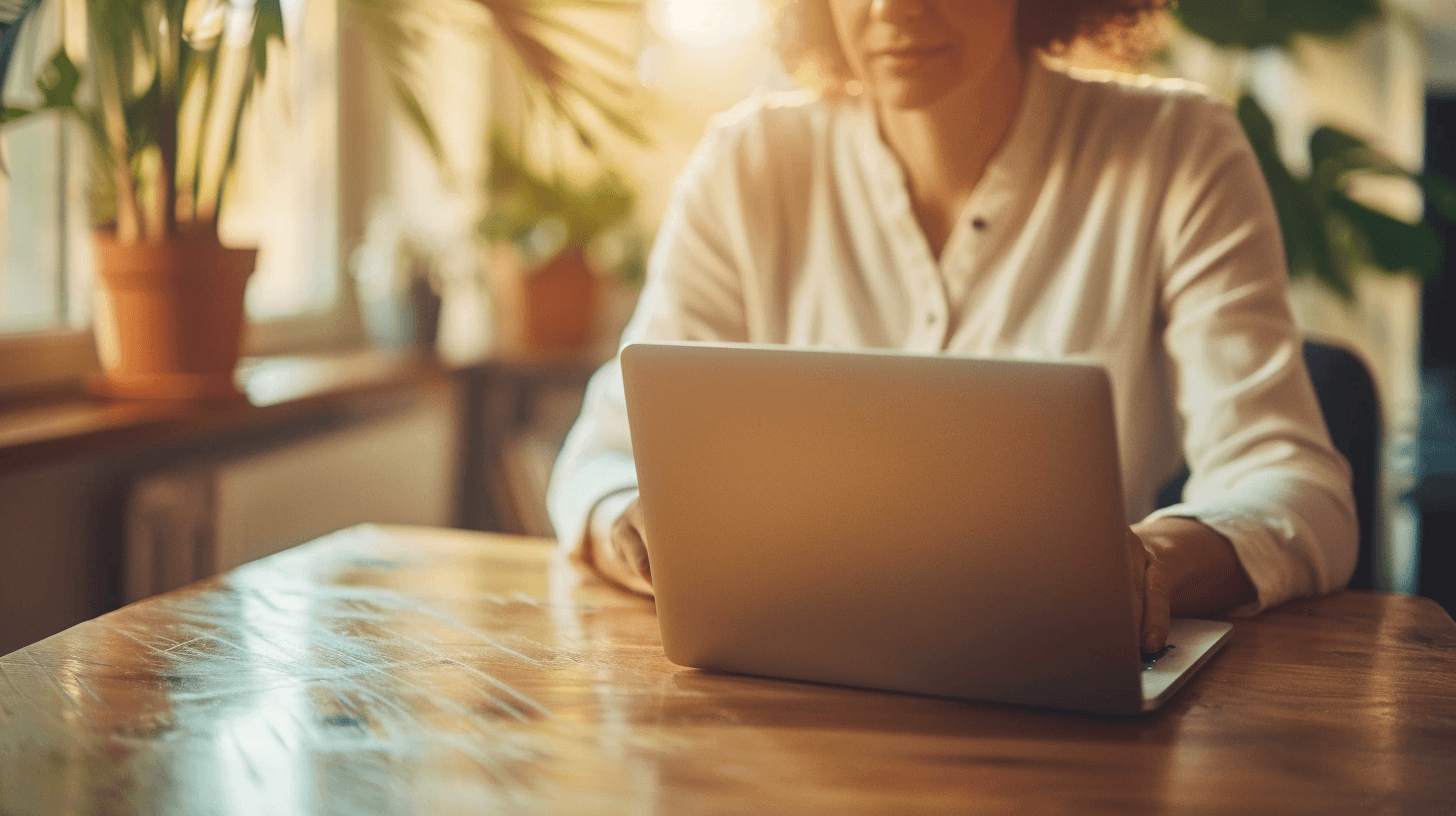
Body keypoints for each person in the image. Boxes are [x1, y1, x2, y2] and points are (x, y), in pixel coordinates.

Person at [547, 0, 1358, 652]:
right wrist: (643, 524)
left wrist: (1152, 564)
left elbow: (1296, 487)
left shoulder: (1176, 150)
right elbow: (602, 461)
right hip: (790, 693)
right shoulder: (747, 163)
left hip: (1059, 715)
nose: (893, 8)